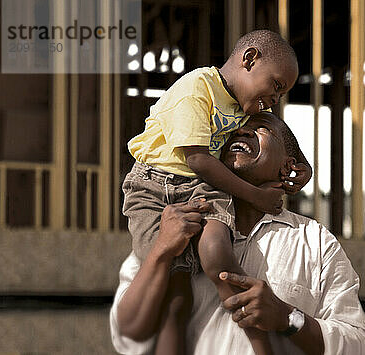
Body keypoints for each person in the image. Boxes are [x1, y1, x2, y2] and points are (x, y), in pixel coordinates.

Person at [111, 112, 365, 354]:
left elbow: (358, 344)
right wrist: (160, 252)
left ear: (288, 166)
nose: (241, 133)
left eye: (261, 129)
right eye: (234, 130)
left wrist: (287, 317)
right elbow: (126, 335)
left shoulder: (314, 242)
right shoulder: (172, 222)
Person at [122, 30, 311, 355]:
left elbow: (279, 132)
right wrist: (254, 195)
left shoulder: (245, 105)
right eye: (277, 86)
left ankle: (259, 345)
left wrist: (304, 165)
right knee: (173, 295)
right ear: (249, 60)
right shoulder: (196, 89)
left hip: (202, 189)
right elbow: (198, 160)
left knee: (218, 258)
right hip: (153, 188)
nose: (276, 98)